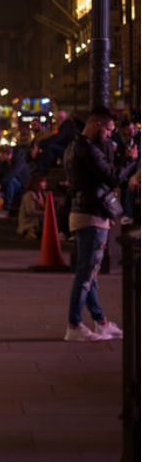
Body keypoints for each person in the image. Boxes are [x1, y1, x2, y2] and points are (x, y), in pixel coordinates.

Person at [62, 107, 138, 342]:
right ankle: (74, 325)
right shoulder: (88, 149)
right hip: (91, 217)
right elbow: (112, 177)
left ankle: (101, 322)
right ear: (97, 125)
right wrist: (130, 160)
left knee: (90, 273)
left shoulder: (74, 146)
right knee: (86, 275)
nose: (109, 135)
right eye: (108, 130)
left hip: (83, 213)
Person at [17, 175, 47, 241]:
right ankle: (29, 231)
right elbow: (30, 211)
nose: (46, 184)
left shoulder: (43, 194)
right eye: (43, 182)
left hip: (38, 219)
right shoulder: (29, 194)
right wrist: (45, 213)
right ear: (37, 183)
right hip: (30, 221)